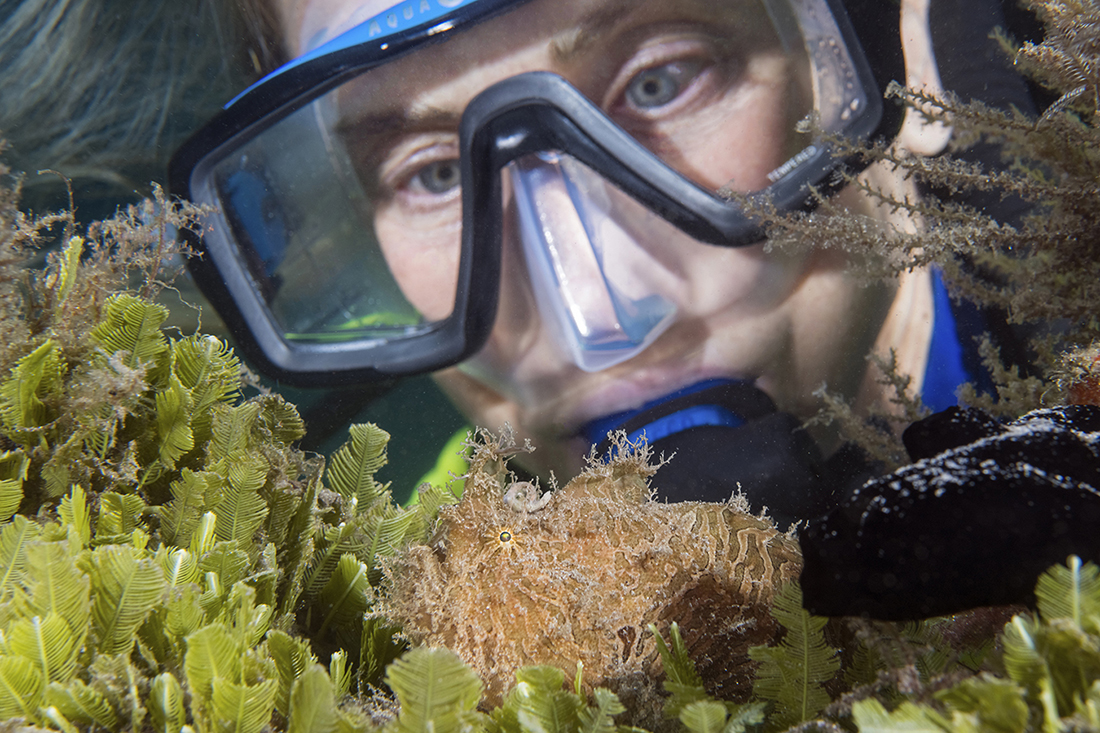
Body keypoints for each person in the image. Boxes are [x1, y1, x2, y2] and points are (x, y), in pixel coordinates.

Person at [169, 0, 1036, 526]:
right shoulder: (409, 621)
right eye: (434, 175)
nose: (606, 320)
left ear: (901, 54)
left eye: (663, 80)